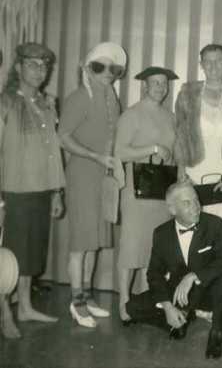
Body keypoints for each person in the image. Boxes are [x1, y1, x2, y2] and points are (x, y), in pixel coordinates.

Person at [125, 181, 222, 359]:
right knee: (132, 307)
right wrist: (168, 307)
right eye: (187, 203)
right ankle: (180, 319)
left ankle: (215, 334)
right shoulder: (161, 234)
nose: (196, 207)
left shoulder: (214, 224)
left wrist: (194, 276)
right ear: (172, 209)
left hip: (207, 289)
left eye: (196, 200)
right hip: (180, 294)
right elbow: (154, 273)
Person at [58, 42, 126, 328]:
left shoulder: (112, 98)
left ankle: (86, 296)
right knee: (80, 244)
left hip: (103, 178)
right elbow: (63, 136)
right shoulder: (79, 97)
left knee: (94, 242)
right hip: (83, 174)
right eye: (100, 67)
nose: (107, 73)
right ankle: (76, 302)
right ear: (87, 69)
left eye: (114, 68)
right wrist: (95, 156)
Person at [0, 43, 65, 334]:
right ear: (18, 68)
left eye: (44, 66)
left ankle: (24, 308)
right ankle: (5, 314)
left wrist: (57, 192)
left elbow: (54, 151)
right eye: (32, 64)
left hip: (41, 189)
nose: (39, 71)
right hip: (12, 190)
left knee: (30, 254)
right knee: (9, 255)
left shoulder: (49, 104)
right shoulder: (5, 103)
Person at [115, 66, 179, 322]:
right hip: (136, 188)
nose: (160, 88)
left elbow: (174, 152)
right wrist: (152, 147)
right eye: (155, 83)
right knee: (132, 246)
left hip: (161, 190)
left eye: (164, 84)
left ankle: (145, 299)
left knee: (153, 249)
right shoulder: (132, 115)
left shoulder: (170, 116)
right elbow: (119, 151)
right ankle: (123, 302)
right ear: (144, 86)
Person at [174, 43, 222, 249]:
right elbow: (179, 135)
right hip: (194, 174)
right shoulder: (187, 93)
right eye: (208, 62)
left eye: (218, 61)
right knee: (193, 240)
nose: (213, 66)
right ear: (201, 64)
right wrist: (181, 170)